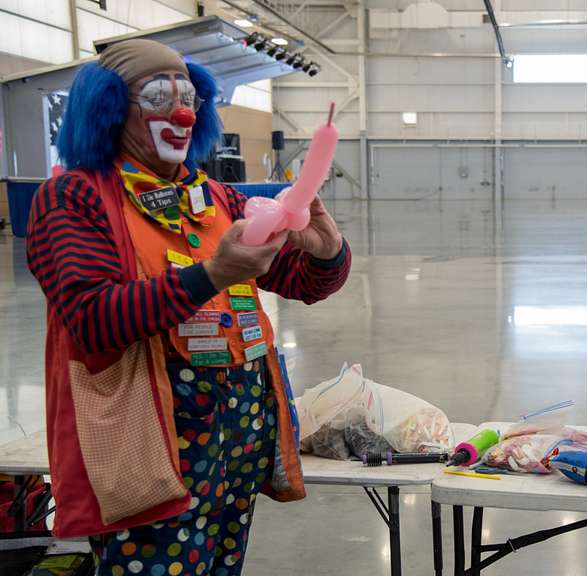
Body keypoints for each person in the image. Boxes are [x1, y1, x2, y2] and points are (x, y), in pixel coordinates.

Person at [26, 39, 351, 574]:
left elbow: (304, 283)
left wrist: (327, 251)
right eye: (158, 96)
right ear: (109, 108)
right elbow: (91, 318)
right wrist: (210, 276)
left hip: (239, 439)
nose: (179, 111)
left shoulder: (218, 197)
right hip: (152, 445)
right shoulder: (75, 197)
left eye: (189, 98)